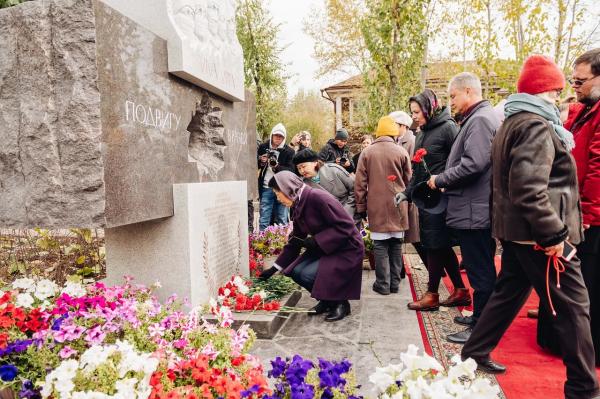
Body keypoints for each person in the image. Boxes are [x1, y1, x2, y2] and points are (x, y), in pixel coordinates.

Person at [461, 55, 599, 399]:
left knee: (508, 293)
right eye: (554, 93)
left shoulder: (513, 120)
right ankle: (584, 388)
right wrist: (553, 234)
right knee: (575, 308)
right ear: (542, 92)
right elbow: (528, 187)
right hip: (540, 236)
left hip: (519, 232)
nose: (559, 100)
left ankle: (474, 352)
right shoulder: (536, 124)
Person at [427, 72, 500, 344]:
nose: (452, 102)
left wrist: (441, 180)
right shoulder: (480, 117)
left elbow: (473, 164)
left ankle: (481, 328)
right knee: (480, 266)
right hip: (475, 205)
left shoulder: (480, 120)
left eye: (453, 96)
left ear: (468, 91)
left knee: (480, 270)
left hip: (474, 209)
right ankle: (479, 317)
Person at [538, 48, 600, 366]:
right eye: (572, 80)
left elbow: (597, 169)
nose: (574, 86)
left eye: (581, 80)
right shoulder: (581, 110)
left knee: (586, 282)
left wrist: (587, 213)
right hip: (572, 207)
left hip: (591, 215)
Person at [259, 171, 364, 322]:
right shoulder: (297, 203)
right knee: (297, 271)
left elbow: (346, 227)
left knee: (308, 273)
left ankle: (341, 303)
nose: (277, 198)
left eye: (277, 193)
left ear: (288, 188)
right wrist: (274, 268)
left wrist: (316, 241)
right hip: (325, 247)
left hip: (346, 247)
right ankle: (327, 301)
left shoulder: (317, 197)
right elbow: (296, 239)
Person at [403, 89, 468, 311]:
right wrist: (407, 192)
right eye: (411, 112)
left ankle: (432, 294)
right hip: (425, 198)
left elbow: (461, 161)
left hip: (442, 198)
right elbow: (417, 168)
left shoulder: (448, 128)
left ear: (429, 107)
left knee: (434, 244)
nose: (414, 116)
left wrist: (443, 181)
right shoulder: (421, 132)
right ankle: (460, 290)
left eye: (416, 111)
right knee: (439, 244)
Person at [355, 116, 412, 295]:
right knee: (396, 244)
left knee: (380, 246)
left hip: (376, 205)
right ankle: (395, 283)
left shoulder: (367, 153)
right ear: (394, 132)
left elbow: (360, 184)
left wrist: (361, 207)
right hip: (398, 205)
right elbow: (409, 180)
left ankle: (382, 284)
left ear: (378, 132)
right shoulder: (401, 152)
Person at [390, 110, 427, 271]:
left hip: (411, 194)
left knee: (416, 237)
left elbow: (414, 171)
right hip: (402, 193)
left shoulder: (412, 141)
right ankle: (401, 271)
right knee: (408, 236)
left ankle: (435, 270)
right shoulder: (397, 142)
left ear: (403, 126)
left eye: (394, 125)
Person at [293, 148, 357, 221]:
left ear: (315, 162)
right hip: (329, 220)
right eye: (299, 168)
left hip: (351, 214)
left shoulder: (334, 170)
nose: (302, 171)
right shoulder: (304, 185)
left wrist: (347, 212)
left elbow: (354, 189)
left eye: (304, 166)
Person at [257, 123, 295, 230]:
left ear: (284, 137)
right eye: (276, 135)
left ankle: (282, 244)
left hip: (282, 188)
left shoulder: (289, 152)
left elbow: (292, 171)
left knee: (282, 219)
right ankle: (262, 243)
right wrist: (261, 161)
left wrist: (277, 167)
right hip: (266, 186)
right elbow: (255, 165)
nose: (278, 138)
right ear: (272, 135)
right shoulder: (263, 147)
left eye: (280, 136)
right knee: (264, 218)